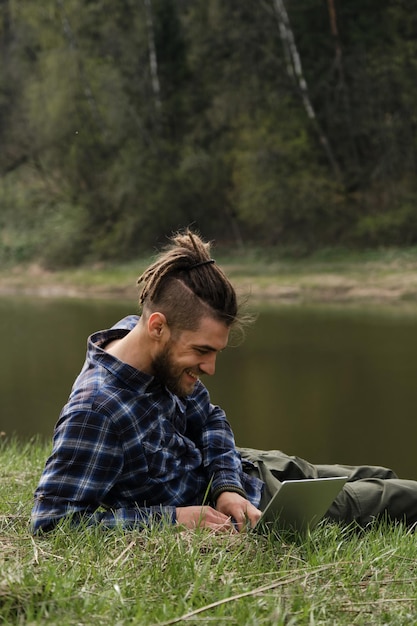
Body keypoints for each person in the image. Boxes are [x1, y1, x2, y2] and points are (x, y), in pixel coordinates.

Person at [31, 229, 417, 534]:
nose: (211, 368)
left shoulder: (135, 337)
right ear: (158, 327)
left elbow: (210, 419)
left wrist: (226, 487)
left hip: (247, 468)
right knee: (403, 499)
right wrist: (173, 519)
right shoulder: (96, 412)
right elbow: (51, 523)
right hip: (263, 510)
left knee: (380, 478)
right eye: (202, 350)